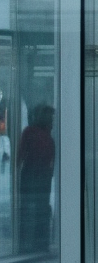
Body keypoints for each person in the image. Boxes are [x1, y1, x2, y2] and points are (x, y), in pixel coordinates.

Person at [15, 104, 56, 254]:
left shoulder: (31, 133)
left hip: (31, 176)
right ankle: (40, 243)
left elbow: (20, 156)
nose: (53, 121)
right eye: (51, 118)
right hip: (39, 177)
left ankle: (27, 243)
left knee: (28, 210)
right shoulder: (45, 137)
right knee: (41, 210)